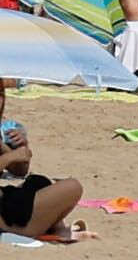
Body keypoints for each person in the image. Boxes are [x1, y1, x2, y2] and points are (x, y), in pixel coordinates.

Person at [0, 85, 83, 241]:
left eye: (1, 94)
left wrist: (21, 148)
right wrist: (10, 157)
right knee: (72, 186)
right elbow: (8, 161)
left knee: (40, 181)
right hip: (5, 218)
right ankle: (47, 228)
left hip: (7, 202)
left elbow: (19, 171)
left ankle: (55, 227)